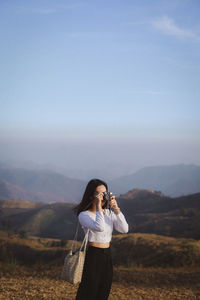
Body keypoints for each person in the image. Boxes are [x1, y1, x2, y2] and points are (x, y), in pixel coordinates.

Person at [74, 178, 129, 300]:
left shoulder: (109, 213)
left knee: (104, 290)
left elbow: (124, 229)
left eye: (105, 193)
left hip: (107, 254)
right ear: (90, 196)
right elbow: (99, 227)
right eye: (99, 194)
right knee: (89, 291)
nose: (103, 197)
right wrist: (99, 207)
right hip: (94, 255)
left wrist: (116, 209)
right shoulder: (84, 215)